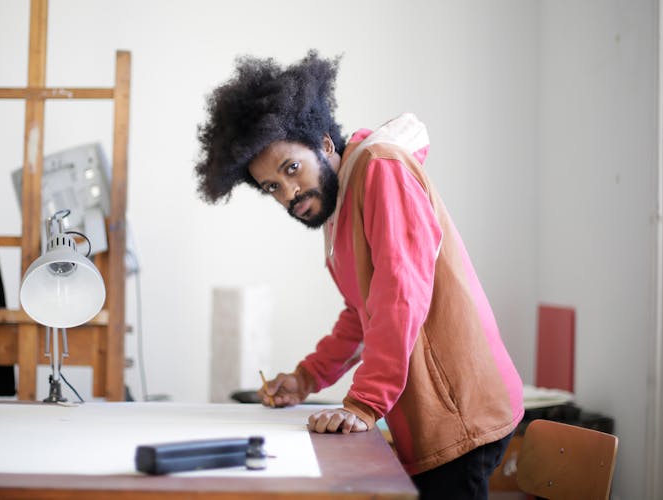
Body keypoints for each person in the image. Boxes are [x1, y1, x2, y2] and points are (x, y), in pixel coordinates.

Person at [193, 50, 524, 500]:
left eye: (292, 169)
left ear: (325, 144)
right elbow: (360, 314)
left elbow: (399, 293)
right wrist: (307, 378)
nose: (289, 193)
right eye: (272, 186)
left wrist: (364, 403)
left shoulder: (378, 168)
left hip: (460, 415)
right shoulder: (337, 204)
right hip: (427, 423)